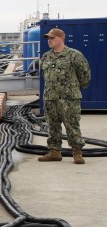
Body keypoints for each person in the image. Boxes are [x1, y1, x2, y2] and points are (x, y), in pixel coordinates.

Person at [37, 28, 91, 164]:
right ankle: (55, 152)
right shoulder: (45, 57)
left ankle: (77, 152)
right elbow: (44, 75)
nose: (49, 40)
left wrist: (73, 90)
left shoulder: (74, 55)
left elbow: (85, 76)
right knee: (52, 125)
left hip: (69, 98)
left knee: (72, 125)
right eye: (48, 38)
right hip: (50, 97)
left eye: (52, 38)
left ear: (61, 38)